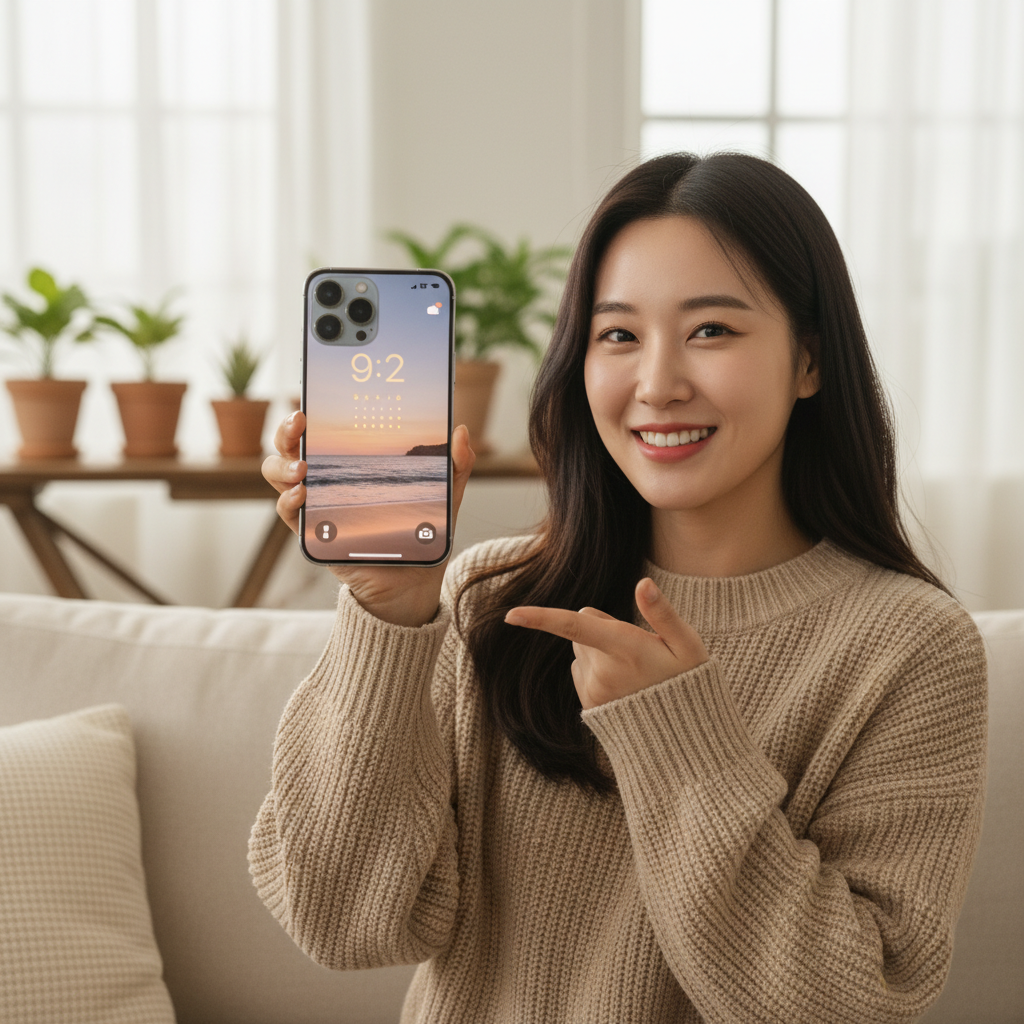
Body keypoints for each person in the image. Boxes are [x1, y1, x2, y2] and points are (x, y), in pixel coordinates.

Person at [250, 153, 987, 1023]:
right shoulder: (492, 599)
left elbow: (850, 1002)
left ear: (809, 361)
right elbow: (345, 925)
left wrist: (676, 734)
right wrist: (389, 614)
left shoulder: (911, 646)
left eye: (712, 331)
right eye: (618, 335)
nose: (658, 384)